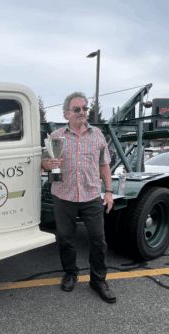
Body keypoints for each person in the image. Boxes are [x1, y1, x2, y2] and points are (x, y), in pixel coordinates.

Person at [41, 92, 116, 303]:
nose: (83, 112)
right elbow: (43, 164)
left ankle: (98, 280)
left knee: (98, 240)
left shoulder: (98, 135)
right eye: (77, 109)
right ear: (67, 113)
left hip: (91, 196)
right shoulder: (56, 136)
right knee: (66, 240)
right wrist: (48, 164)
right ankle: (71, 273)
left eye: (85, 108)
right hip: (63, 196)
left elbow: (104, 165)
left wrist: (108, 192)